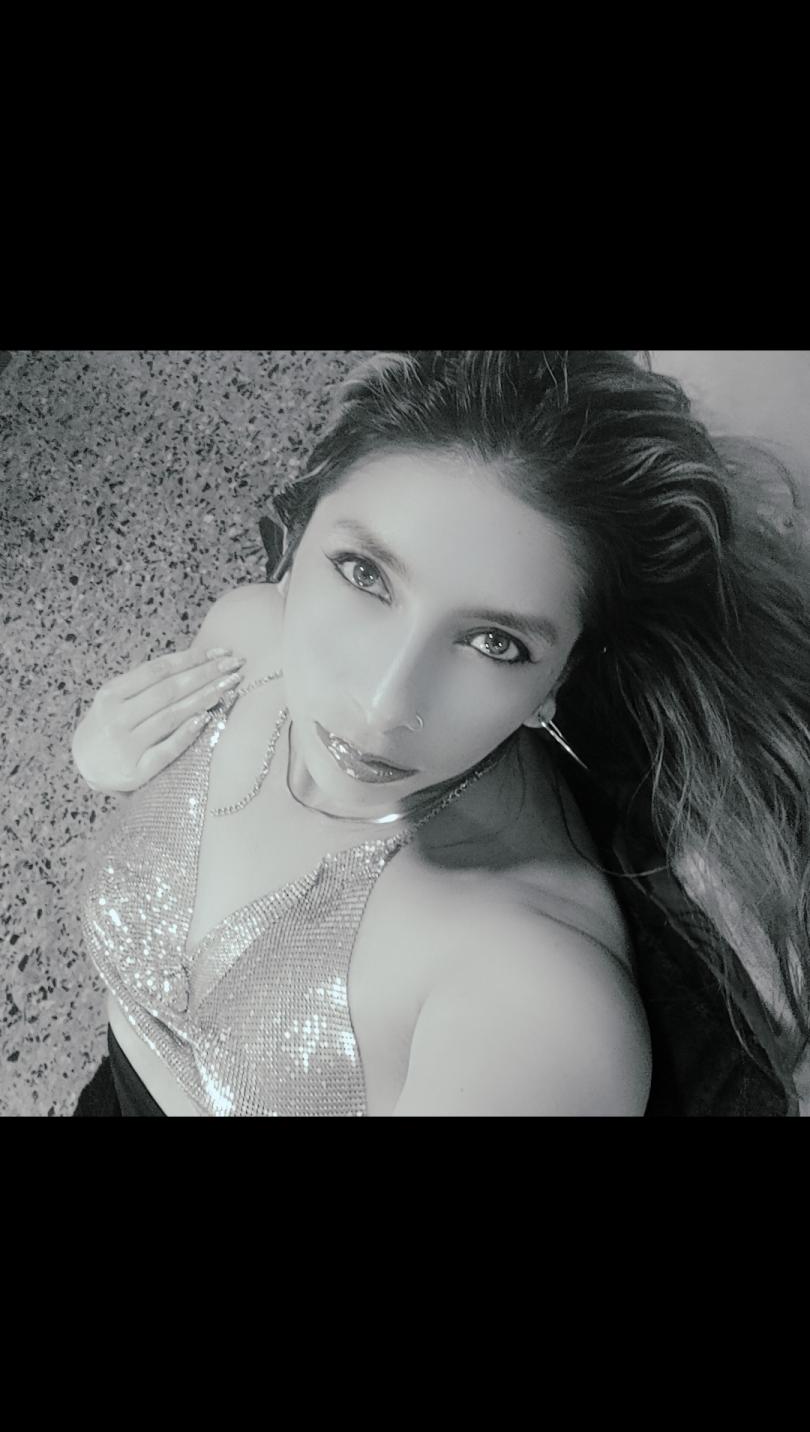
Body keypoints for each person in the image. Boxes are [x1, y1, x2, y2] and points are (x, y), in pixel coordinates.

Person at [71, 350, 810, 1117]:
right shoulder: (245, 636)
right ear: (298, 530)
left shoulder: (532, 1003)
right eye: (364, 573)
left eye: (494, 642)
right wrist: (105, 759)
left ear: (558, 680)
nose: (382, 706)